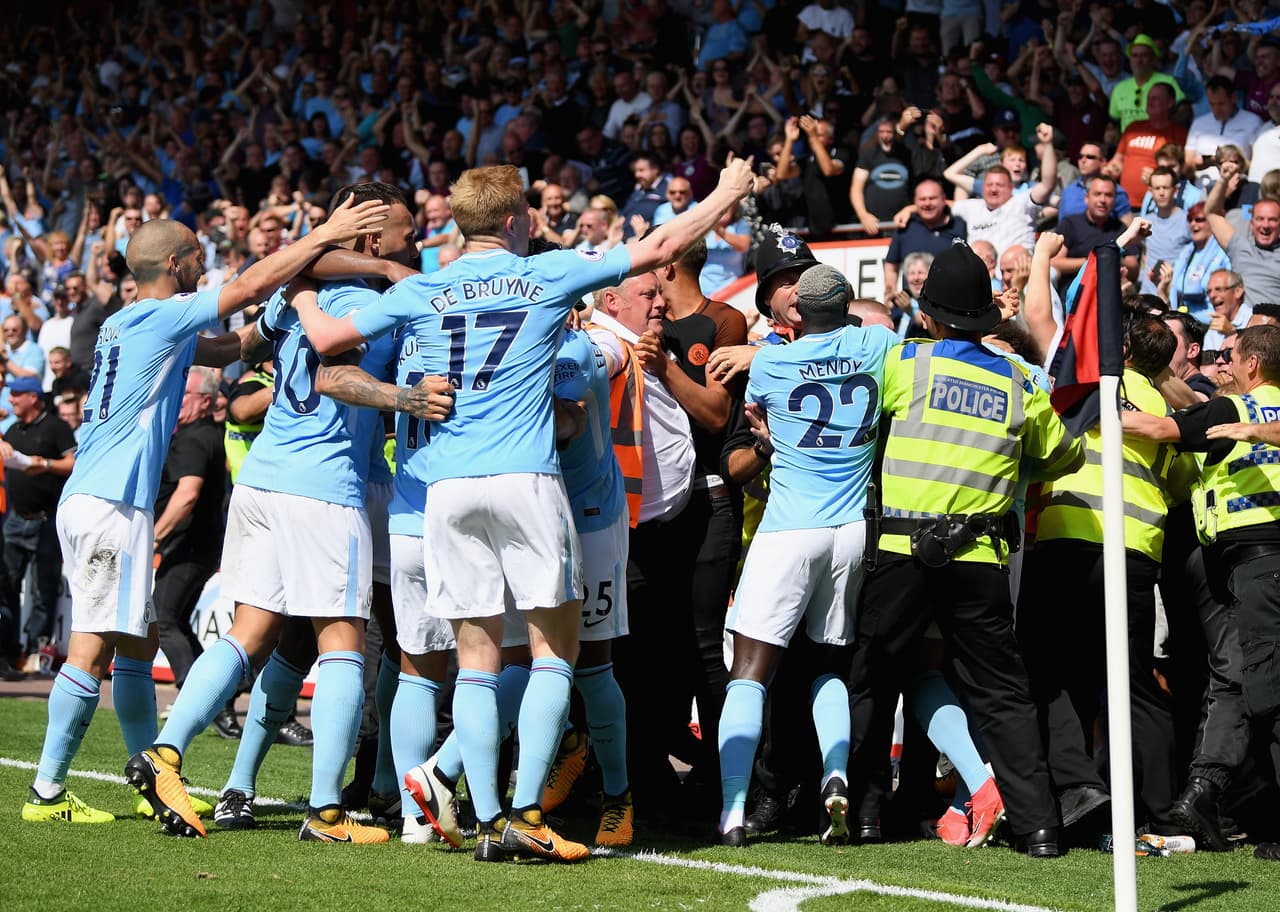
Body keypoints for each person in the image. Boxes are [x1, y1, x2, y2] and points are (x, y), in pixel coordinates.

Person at [293, 160, 756, 861]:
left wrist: (298, 290)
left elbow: (327, 346)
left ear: (457, 223)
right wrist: (725, 194)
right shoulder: (545, 275)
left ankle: (483, 819)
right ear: (517, 221)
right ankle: (527, 813)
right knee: (553, 659)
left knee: (474, 667)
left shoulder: (424, 288)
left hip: (445, 492)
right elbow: (661, 249)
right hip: (524, 481)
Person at [21, 197, 387, 827]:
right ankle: (47, 795)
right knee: (90, 648)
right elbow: (247, 284)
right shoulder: (163, 315)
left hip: (104, 496)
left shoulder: (129, 320)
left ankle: (153, 775)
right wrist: (323, 235)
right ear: (173, 263)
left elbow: (225, 348)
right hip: (111, 499)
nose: (204, 262)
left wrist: (273, 325)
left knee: (138, 645)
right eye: (196, 255)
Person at [126, 184, 451, 844]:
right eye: (402, 232)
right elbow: (333, 372)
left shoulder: (290, 293)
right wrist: (402, 399)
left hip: (264, 477)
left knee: (247, 636)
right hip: (325, 488)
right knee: (342, 647)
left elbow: (248, 349)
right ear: (366, 237)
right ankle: (327, 812)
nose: (413, 242)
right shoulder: (368, 299)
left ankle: (167, 752)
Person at [847, 241, 1085, 859]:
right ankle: (1039, 826)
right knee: (1002, 692)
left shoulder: (903, 364)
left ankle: (868, 817)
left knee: (876, 680)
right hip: (980, 558)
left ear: (929, 316)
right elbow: (1065, 455)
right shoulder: (1015, 379)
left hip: (901, 548)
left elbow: (860, 428)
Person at [717, 264, 897, 847]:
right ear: (845, 305)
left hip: (790, 527)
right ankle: (836, 775)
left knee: (749, 672)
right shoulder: (877, 343)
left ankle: (733, 810)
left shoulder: (769, 363)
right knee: (828, 665)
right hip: (850, 532)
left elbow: (760, 423)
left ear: (796, 315)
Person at [1019, 314, 1193, 838]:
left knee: (1049, 670)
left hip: (1067, 536)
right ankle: (1161, 811)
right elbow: (1182, 481)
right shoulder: (1164, 407)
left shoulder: (1083, 386)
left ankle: (1074, 787)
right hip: (1135, 551)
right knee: (1132, 681)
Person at [1119, 325, 1280, 863]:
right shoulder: (1241, 407)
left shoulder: (1236, 410)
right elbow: (1186, 397)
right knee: (1251, 680)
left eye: (1227, 358)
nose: (1218, 366)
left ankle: (1225, 799)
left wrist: (1096, 405)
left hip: (1257, 566)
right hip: (1250, 566)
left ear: (1252, 365)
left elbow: (1158, 427)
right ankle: (1218, 797)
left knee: (1261, 688)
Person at [150, 367, 226, 707]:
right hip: (201, 543)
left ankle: (196, 701)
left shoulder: (194, 437)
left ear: (205, 401)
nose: (177, 400)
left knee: (163, 619)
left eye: (185, 394)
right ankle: (213, 698)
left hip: (190, 543)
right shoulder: (209, 432)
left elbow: (187, 494)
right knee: (174, 618)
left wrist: (155, 536)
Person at [0, 375, 75, 673]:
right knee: (6, 587)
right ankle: (9, 653)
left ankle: (34, 653)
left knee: (43, 590)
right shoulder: (13, 430)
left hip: (45, 520)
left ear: (33, 397)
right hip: (15, 519)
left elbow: (74, 463)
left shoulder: (55, 426)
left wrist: (42, 464)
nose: (12, 400)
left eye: (17, 394)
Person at [1205, 161, 1280, 312]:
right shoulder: (1240, 248)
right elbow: (1211, 213)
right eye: (1260, 219)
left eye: (1272, 220)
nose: (1265, 225)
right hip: (1245, 331)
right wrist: (1223, 180)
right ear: (1251, 224)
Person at [883, 178, 967, 293]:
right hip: (911, 304)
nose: (927, 203)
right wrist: (890, 294)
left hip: (950, 301)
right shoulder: (905, 226)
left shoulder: (959, 225)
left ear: (943, 200)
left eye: (932, 198)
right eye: (922, 199)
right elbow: (891, 266)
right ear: (915, 202)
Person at [1163, 202, 1229, 322]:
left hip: (1212, 323)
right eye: (1190, 219)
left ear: (1213, 221)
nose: (1193, 224)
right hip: (1184, 320)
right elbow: (1174, 287)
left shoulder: (1223, 252)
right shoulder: (1187, 251)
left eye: (1199, 219)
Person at [1058, 143, 1132, 221]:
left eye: (1090, 157)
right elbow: (1061, 226)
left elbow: (1128, 226)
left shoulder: (1116, 192)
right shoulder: (1068, 191)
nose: (1083, 160)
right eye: (1080, 157)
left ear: (1103, 162)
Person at [1203, 269, 1252, 351]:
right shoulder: (1213, 330)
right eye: (1209, 291)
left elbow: (1260, 355)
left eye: (1218, 289)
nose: (1212, 295)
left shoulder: (1254, 318)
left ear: (1238, 291)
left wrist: (1232, 332)